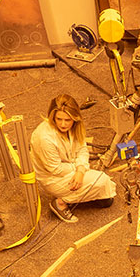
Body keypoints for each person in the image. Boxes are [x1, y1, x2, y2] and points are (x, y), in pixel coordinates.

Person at [31, 94, 116, 223]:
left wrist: (81, 170)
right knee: (102, 180)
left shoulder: (76, 127)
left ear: (75, 119)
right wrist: (78, 168)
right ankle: (60, 202)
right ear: (52, 116)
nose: (63, 124)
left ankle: (76, 194)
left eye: (68, 120)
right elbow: (56, 169)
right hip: (54, 177)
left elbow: (82, 149)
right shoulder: (44, 137)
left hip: (71, 167)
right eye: (59, 119)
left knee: (106, 199)